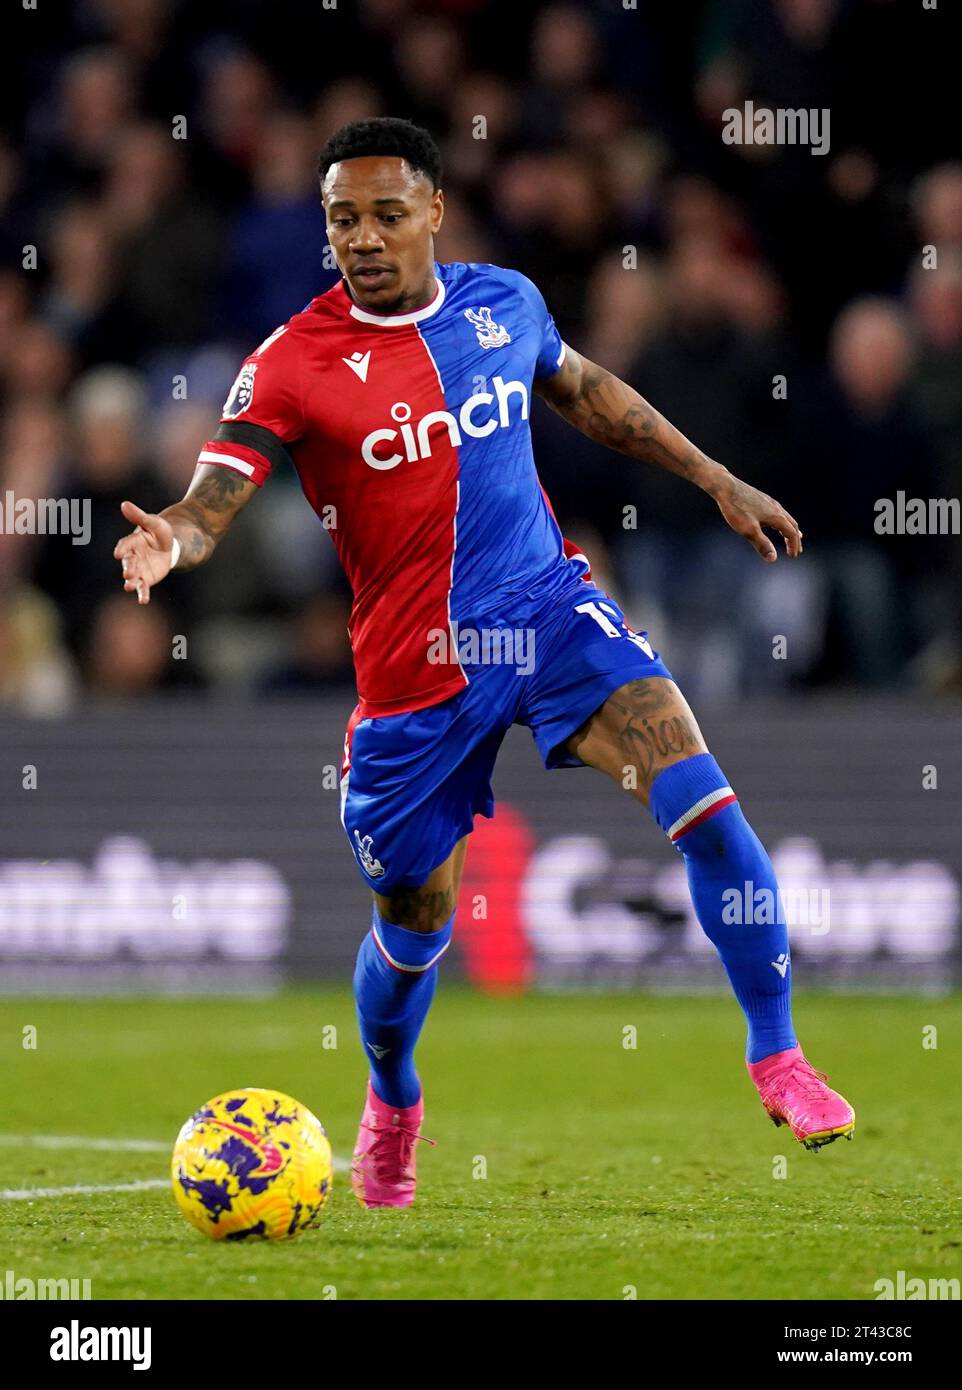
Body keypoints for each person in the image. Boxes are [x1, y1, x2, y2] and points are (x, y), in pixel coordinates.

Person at [114, 118, 854, 1214]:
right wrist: (172, 535)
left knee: (701, 797)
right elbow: (217, 495)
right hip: (416, 679)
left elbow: (592, 394)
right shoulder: (290, 364)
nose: (360, 238)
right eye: (340, 219)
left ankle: (776, 1054)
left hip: (549, 611)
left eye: (383, 213)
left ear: (432, 212)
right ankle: (392, 1097)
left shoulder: (504, 301)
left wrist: (714, 479)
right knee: (412, 930)